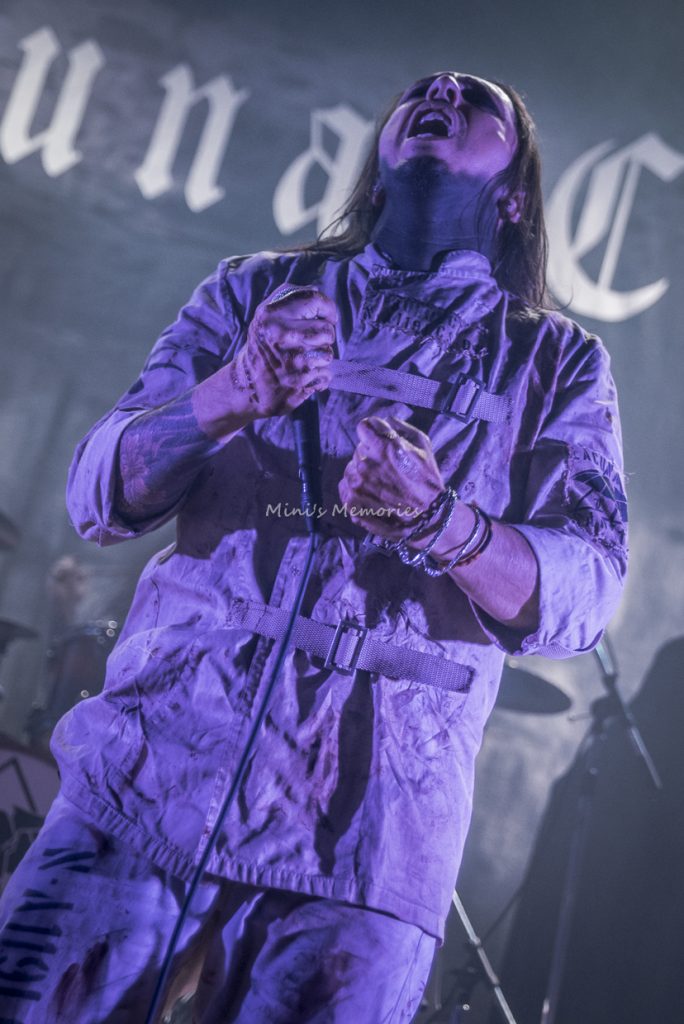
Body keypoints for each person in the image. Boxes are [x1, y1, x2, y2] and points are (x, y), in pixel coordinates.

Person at [0, 72, 628, 1023]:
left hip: (370, 835)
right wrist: (230, 393)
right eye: (423, 91)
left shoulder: (556, 361)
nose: (443, 88)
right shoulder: (249, 290)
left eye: (479, 102)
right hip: (152, 775)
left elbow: (587, 596)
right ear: (376, 164)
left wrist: (443, 523)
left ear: (514, 197)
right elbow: (97, 493)